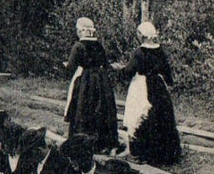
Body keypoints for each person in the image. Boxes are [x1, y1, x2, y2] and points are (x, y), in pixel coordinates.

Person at [114, 21, 182, 165]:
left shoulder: (140, 52)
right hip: (158, 86)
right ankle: (165, 154)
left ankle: (142, 153)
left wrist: (119, 69)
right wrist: (167, 82)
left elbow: (129, 71)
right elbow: (167, 73)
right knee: (161, 116)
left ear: (142, 35)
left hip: (142, 86)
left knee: (139, 115)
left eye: (138, 34)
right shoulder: (160, 51)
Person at [63, 17, 119, 152]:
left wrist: (65, 65)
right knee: (100, 109)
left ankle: (82, 141)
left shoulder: (78, 46)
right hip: (100, 80)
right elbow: (105, 64)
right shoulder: (99, 45)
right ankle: (102, 142)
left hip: (85, 80)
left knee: (82, 108)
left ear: (81, 31)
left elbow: (71, 67)